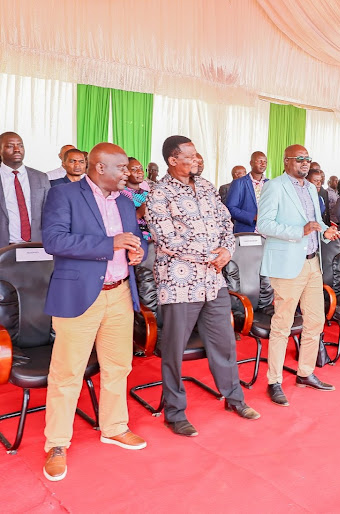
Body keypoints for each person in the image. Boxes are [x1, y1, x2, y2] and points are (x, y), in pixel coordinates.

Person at [41, 143, 148, 482]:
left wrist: (137, 252)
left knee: (118, 366)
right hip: (78, 296)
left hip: (118, 294)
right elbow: (54, 241)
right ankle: (57, 443)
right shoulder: (64, 195)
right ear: (100, 168)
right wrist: (110, 244)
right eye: (121, 169)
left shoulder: (127, 201)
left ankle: (114, 426)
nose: (127, 174)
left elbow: (135, 238)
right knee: (67, 373)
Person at [146, 136, 259, 437]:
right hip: (180, 282)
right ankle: (175, 412)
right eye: (190, 155)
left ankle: (234, 398)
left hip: (213, 281)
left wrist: (226, 251)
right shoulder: (159, 193)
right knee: (173, 349)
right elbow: (167, 239)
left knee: (224, 342)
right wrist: (210, 256)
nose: (197, 159)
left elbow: (226, 223)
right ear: (172, 160)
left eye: (197, 155)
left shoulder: (207, 187)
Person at [256, 144, 340, 406]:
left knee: (315, 321)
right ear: (286, 161)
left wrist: (325, 231)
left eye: (308, 159)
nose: (305, 163)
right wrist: (299, 230)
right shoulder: (276, 186)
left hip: (313, 264)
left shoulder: (311, 189)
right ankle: (274, 380)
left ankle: (305, 372)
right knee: (282, 324)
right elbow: (263, 224)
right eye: (299, 159)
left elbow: (315, 222)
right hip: (287, 265)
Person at [0, 132, 50, 246]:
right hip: (4, 247)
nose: (17, 149)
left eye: (20, 145)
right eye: (10, 146)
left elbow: (49, 213)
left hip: (36, 245)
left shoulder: (41, 177)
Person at [225, 151, 269, 233]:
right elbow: (230, 208)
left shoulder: (269, 183)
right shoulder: (239, 183)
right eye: (259, 161)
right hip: (246, 231)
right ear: (251, 163)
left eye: (265, 162)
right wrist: (253, 217)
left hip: (267, 232)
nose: (263, 164)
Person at [120, 157, 151, 241]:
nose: (140, 172)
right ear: (125, 172)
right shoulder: (121, 195)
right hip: (135, 240)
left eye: (141, 168)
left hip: (154, 240)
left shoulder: (148, 193)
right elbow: (121, 222)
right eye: (134, 169)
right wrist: (140, 212)